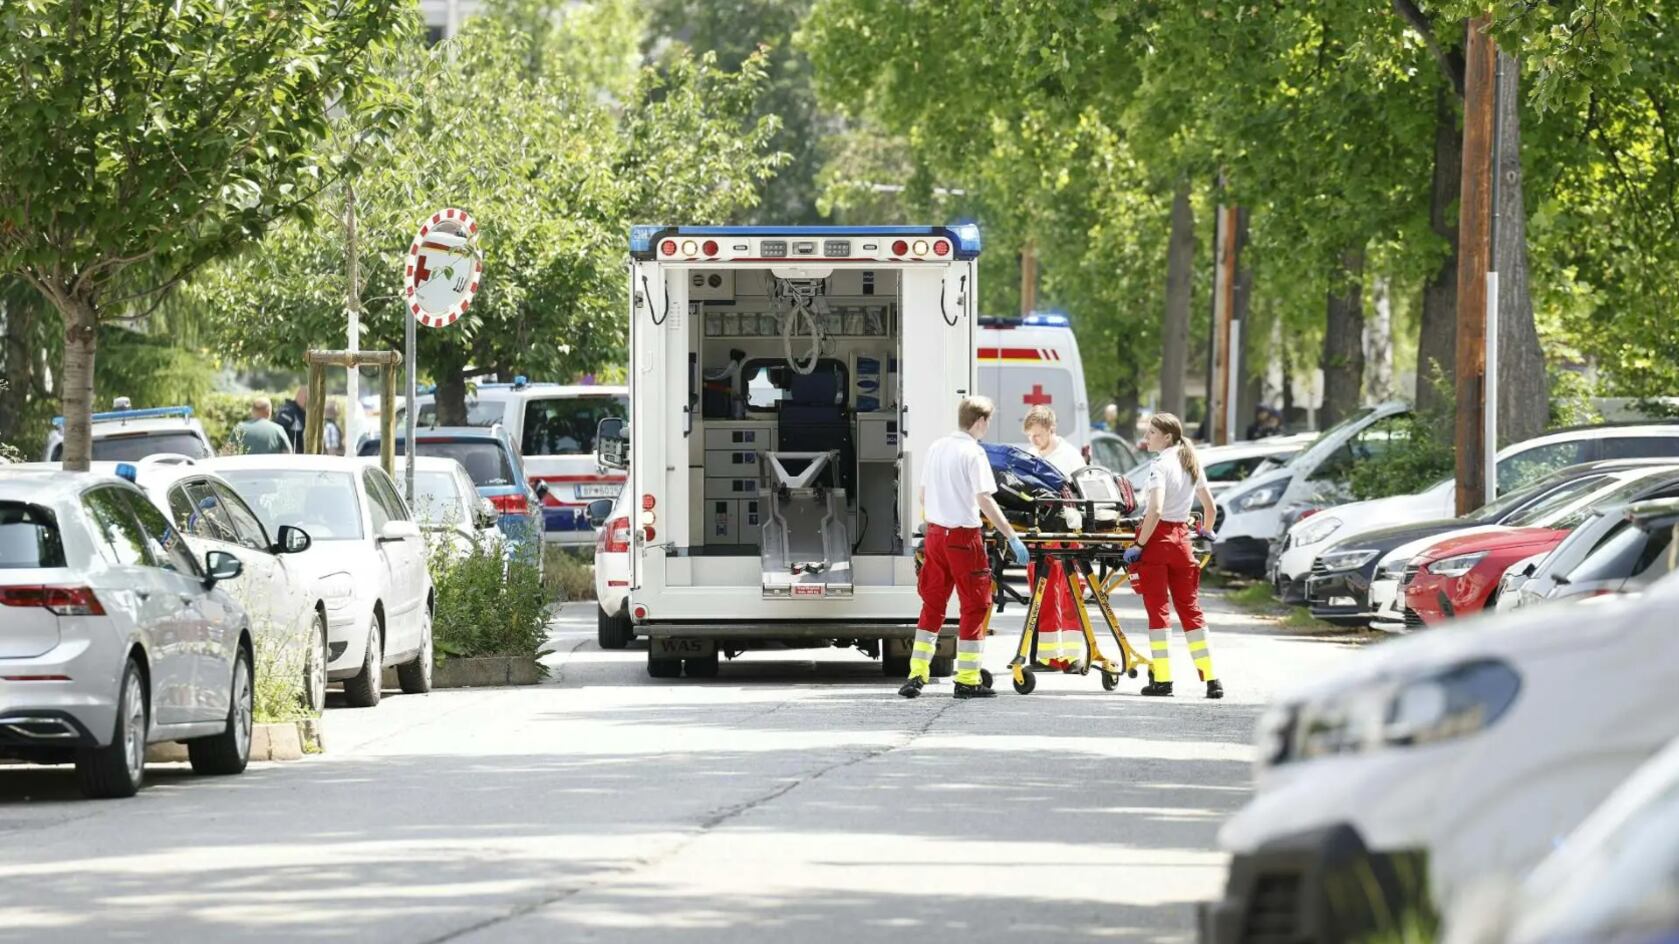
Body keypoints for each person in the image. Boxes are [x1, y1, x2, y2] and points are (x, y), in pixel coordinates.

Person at [900, 395, 1029, 700]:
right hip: (963, 539)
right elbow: (985, 499)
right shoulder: (973, 453)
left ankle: (917, 674)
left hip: (935, 537)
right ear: (981, 421)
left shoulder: (937, 447)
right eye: (988, 422)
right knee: (975, 605)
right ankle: (968, 679)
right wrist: (1011, 535)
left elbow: (922, 495)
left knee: (932, 605)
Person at [1124, 412, 1222, 699]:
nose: (1147, 438)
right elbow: (1210, 508)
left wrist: (1139, 546)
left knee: (1159, 612)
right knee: (1191, 611)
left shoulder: (1161, 465)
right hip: (1183, 542)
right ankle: (1212, 679)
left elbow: (1154, 511)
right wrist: (1205, 531)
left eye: (1151, 433)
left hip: (1157, 543)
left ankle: (1163, 681)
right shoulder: (1191, 461)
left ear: (1167, 436)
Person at [1022, 405, 1084, 671]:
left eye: (1037, 435)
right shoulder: (1033, 454)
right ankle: (1048, 655)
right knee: (1043, 593)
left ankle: (1070, 655)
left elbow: (1080, 495)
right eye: (1030, 436)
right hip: (1042, 533)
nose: (1033, 441)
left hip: (1065, 532)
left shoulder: (1069, 457)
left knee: (1068, 594)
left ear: (1051, 429)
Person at [276, 386, 308, 453]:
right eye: (306, 397)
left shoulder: (303, 412)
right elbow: (280, 435)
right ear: (299, 396)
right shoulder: (288, 411)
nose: (308, 401)